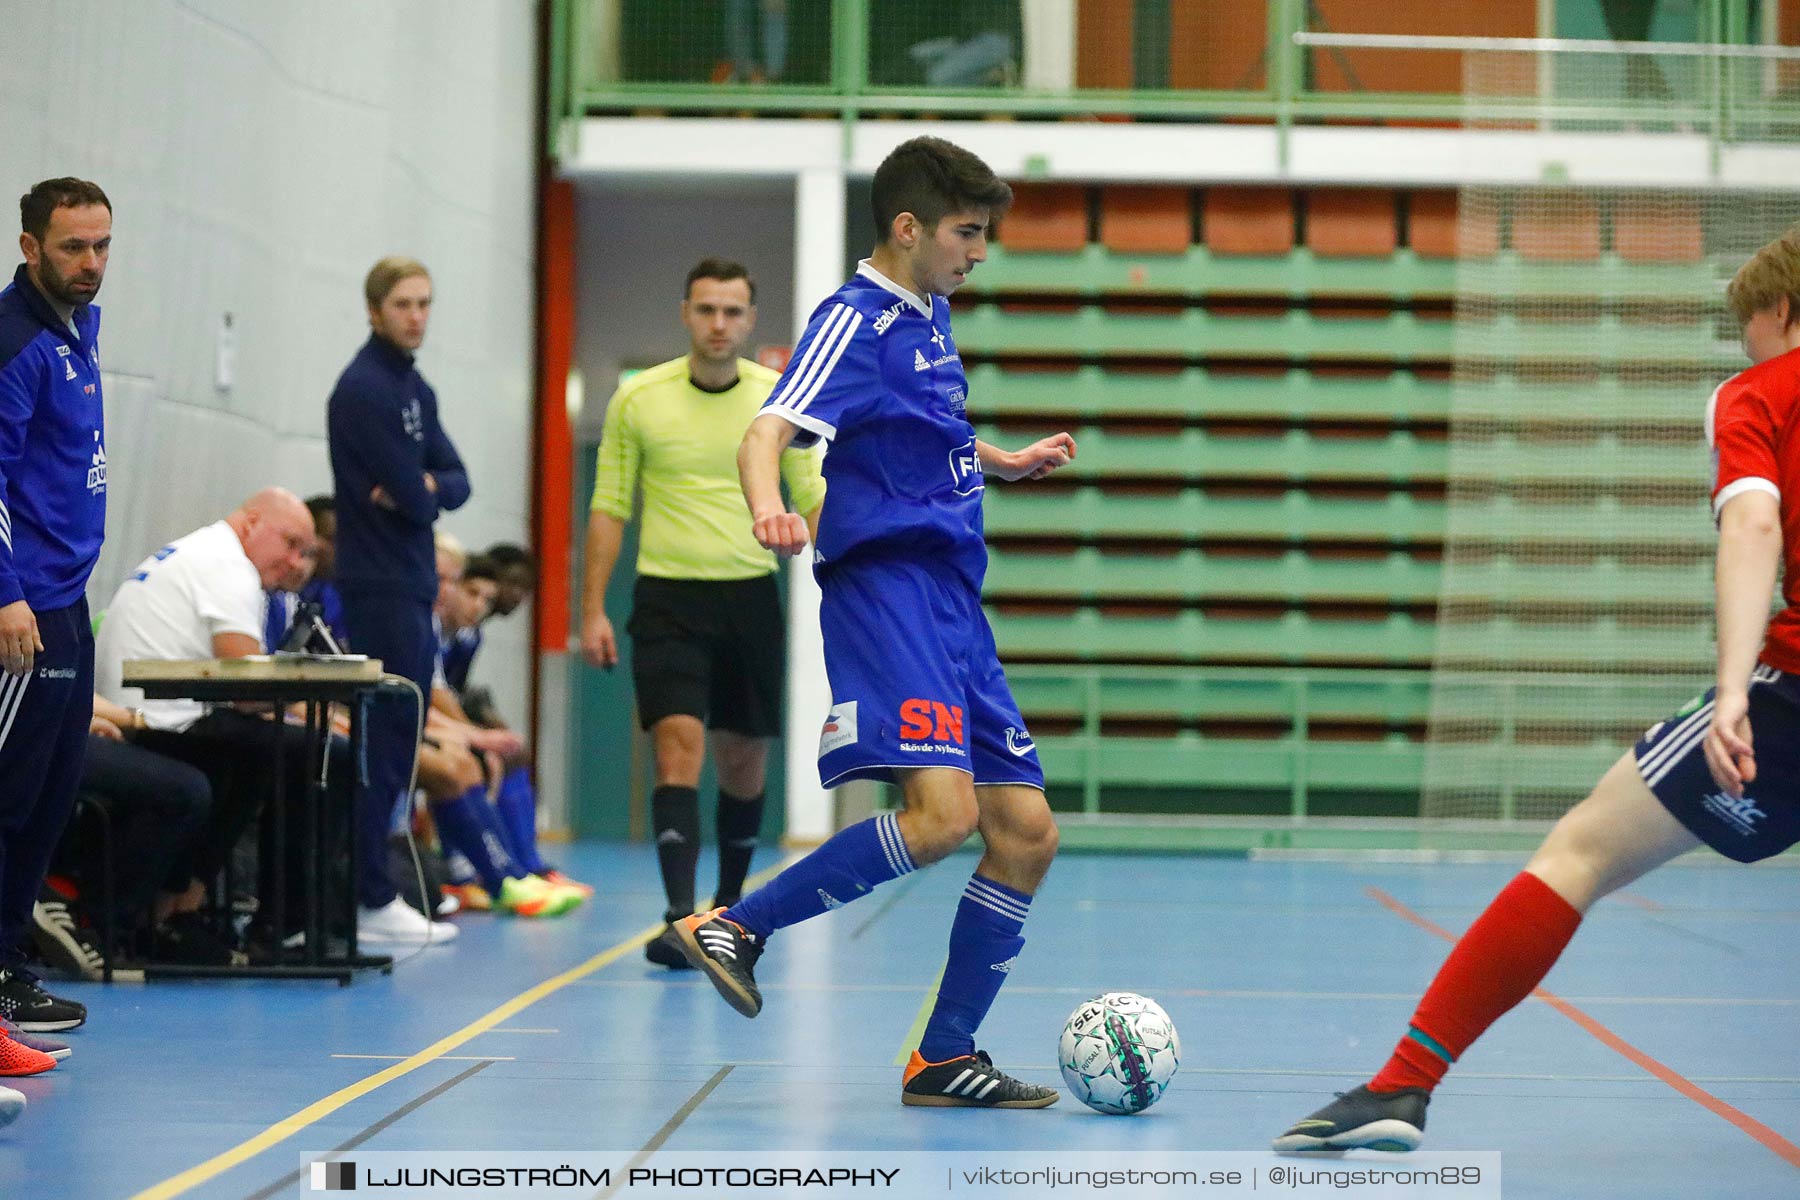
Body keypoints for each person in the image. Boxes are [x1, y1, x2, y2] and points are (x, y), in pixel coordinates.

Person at [1273, 226, 1800, 1152]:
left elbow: (1754, 526)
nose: (1744, 350)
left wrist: (1729, 692)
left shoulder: (1760, 394)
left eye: (1747, 330)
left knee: (1578, 853)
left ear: (1781, 311)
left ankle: (1405, 1084)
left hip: (1788, 692)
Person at [674, 137, 1078, 1109]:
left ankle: (942, 1058)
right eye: (966, 234)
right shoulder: (850, 320)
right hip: (886, 589)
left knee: (1025, 833)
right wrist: (769, 505)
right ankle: (737, 925)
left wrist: (1001, 461)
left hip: (952, 600)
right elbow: (767, 428)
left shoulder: (929, 313)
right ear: (909, 229)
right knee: (945, 819)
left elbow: (924, 426)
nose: (978, 253)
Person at [580, 257, 827, 968]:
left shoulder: (779, 396)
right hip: (666, 597)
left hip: (749, 597)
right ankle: (679, 916)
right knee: (676, 746)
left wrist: (832, 555)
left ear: (750, 320)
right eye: (706, 310)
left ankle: (727, 913)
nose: (719, 324)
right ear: (686, 313)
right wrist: (592, 608)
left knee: (744, 764)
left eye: (732, 312)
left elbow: (810, 491)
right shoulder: (639, 400)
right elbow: (609, 505)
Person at [0, 178, 113, 1037]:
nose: (91, 264)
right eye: (73, 246)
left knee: (50, 796)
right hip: (23, 609)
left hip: (69, 603)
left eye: (102, 245)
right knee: (8, 796)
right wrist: (6, 594)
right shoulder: (14, 342)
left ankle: (12, 968)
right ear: (31, 246)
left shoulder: (81, 327)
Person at [327, 256, 468, 946]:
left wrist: (424, 489)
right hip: (378, 583)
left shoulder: (417, 388)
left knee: (400, 742)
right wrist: (422, 490)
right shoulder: (363, 391)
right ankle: (368, 898)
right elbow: (415, 496)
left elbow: (454, 482)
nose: (416, 315)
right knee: (384, 744)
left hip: (412, 581)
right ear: (375, 310)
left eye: (425, 303)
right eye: (404, 304)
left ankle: (373, 895)